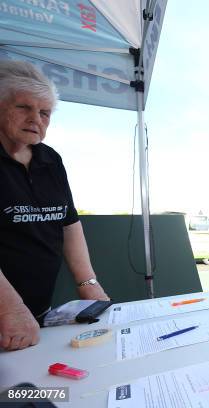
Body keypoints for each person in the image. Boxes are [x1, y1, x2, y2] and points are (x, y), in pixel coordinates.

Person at [0, 61, 109, 351]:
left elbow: (68, 224)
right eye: (23, 107)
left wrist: (88, 283)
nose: (36, 118)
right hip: (9, 313)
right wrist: (9, 309)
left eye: (44, 112)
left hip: (34, 314)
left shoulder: (50, 159)